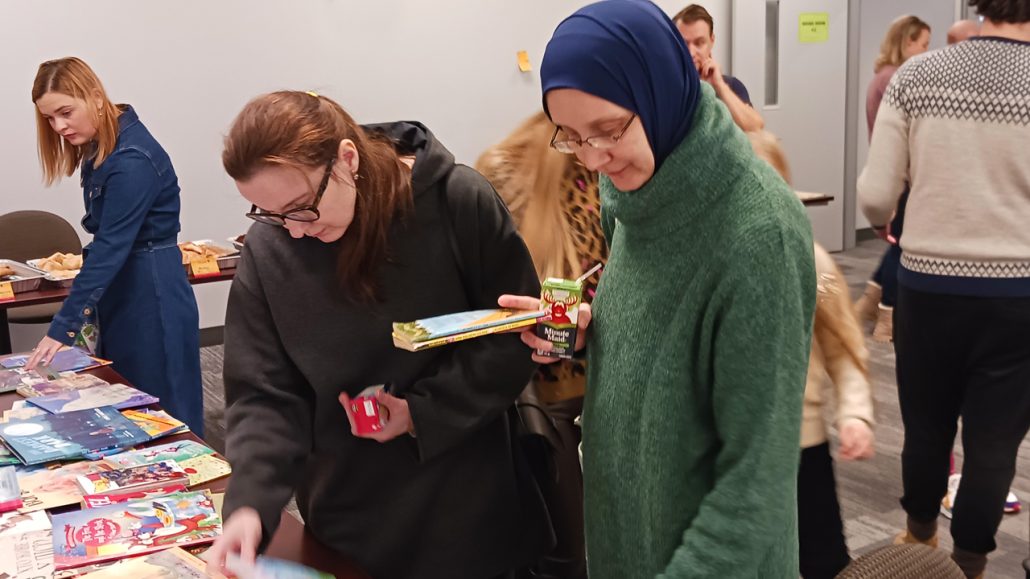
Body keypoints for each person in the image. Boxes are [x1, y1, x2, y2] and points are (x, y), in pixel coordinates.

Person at [500, 1, 816, 576]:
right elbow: (666, 340)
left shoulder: (757, 234)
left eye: (608, 130)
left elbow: (756, 485)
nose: (594, 158)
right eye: (570, 137)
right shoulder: (632, 193)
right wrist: (584, 333)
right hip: (629, 538)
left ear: (661, 93)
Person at [204, 91, 552, 579]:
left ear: (347, 159)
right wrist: (249, 504)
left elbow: (513, 336)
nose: (294, 231)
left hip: (466, 508)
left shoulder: (457, 202)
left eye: (302, 208)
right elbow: (265, 394)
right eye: (269, 213)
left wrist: (420, 413)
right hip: (347, 515)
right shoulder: (270, 247)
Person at [858, 0, 1030, 576]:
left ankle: (920, 543)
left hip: (929, 285)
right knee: (994, 443)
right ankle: (972, 561)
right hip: (1020, 295)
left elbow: (877, 197)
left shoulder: (917, 76)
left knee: (927, 428)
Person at [28, 57, 203, 435]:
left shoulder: (131, 159)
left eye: (65, 112)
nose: (58, 126)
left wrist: (63, 327)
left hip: (151, 292)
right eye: (49, 119)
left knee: (167, 413)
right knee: (131, 403)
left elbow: (110, 246)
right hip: (128, 287)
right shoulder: (102, 144)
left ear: (94, 96)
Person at [477, 111, 608, 579]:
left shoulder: (629, 169)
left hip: (611, 383)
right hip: (542, 395)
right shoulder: (508, 168)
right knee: (562, 548)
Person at [750, 130, 876, 579]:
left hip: (800, 445)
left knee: (822, 555)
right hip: (726, 453)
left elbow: (844, 349)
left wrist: (855, 413)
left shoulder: (811, 262)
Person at [854, 15, 931, 343]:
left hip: (893, 173)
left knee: (894, 246)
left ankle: (871, 300)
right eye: (924, 45)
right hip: (902, 178)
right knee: (900, 247)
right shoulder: (898, 79)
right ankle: (886, 315)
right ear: (907, 42)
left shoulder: (880, 78)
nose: (928, 52)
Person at [672, 4, 764, 131]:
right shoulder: (664, 88)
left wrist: (719, 86)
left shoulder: (731, 85)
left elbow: (755, 127)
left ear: (712, 41)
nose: (691, 52)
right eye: (683, 43)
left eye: (699, 43)